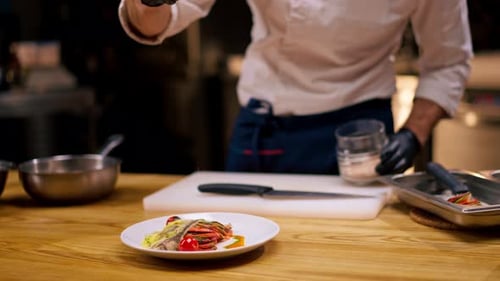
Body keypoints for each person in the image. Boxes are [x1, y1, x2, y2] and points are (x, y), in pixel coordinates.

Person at [118, 0, 473, 175]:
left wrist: (413, 133)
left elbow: (448, 61)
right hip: (268, 128)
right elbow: (156, 21)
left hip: (361, 136)